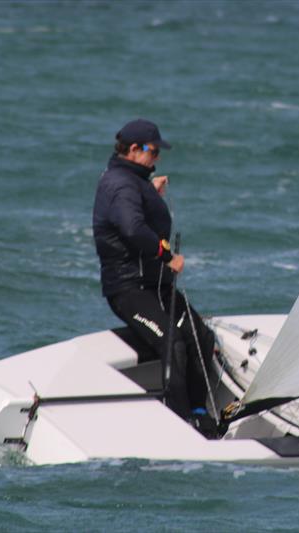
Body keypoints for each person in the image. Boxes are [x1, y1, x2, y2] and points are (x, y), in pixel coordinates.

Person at [92, 119, 216, 422]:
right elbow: (132, 228)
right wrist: (167, 256)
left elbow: (133, 209)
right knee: (172, 343)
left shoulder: (131, 181)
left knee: (201, 338)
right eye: (153, 151)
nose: (157, 158)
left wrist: (147, 189)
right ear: (133, 150)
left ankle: (200, 413)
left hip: (155, 286)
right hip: (129, 290)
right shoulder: (120, 184)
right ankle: (179, 421)